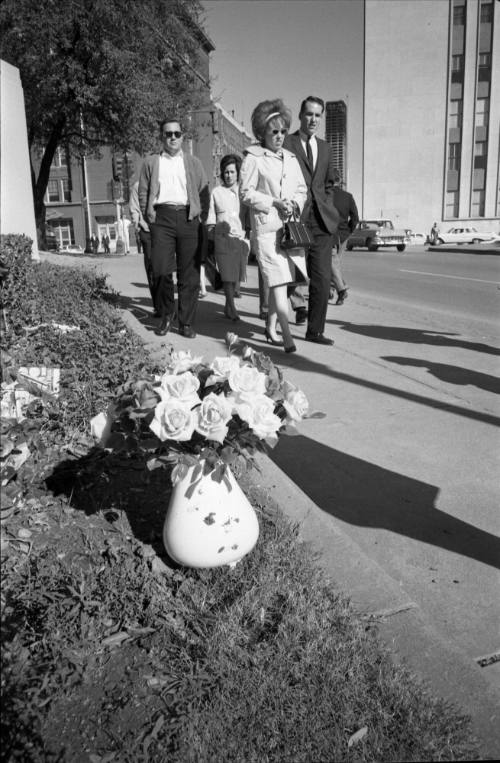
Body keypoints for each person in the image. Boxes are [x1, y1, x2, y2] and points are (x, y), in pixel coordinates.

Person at [240, 98, 308, 354]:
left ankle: (270, 328)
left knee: (285, 279)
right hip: (267, 229)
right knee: (278, 280)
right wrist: (273, 202)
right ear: (262, 133)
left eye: (282, 131)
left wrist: (294, 204)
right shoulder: (253, 158)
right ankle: (286, 335)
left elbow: (301, 189)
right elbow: (245, 193)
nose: (279, 136)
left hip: (290, 229)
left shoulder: (291, 158)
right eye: (273, 132)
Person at [139, 116, 209, 338]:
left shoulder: (193, 163)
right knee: (160, 269)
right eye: (168, 134)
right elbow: (143, 192)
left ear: (182, 137)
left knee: (189, 274)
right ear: (162, 137)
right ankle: (167, 315)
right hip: (162, 218)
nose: (172, 138)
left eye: (176, 134)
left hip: (188, 218)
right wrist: (149, 216)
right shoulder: (151, 162)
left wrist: (201, 217)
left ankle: (186, 322)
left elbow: (204, 191)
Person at [284, 96, 340, 345]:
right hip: (297, 218)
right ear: (300, 115)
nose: (313, 119)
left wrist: (328, 206)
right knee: (290, 275)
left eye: (318, 115)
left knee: (321, 276)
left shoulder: (326, 148)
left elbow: (329, 182)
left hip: (322, 221)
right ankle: (272, 320)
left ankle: (315, 330)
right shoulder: (287, 142)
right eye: (309, 114)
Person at [206, 154, 250, 322]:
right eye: (226, 172)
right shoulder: (216, 192)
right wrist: (211, 234)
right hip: (222, 239)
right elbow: (210, 216)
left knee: (234, 277)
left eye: (232, 172)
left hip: (239, 240)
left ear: (238, 173)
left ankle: (227, 305)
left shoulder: (244, 192)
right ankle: (232, 308)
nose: (229, 175)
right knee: (226, 275)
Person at [129, 179, 157, 315]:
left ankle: (167, 306)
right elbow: (134, 208)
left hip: (164, 231)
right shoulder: (138, 186)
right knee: (152, 268)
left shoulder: (164, 180)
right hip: (146, 231)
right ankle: (158, 305)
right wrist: (138, 226)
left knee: (165, 270)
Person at [331, 170, 359, 305]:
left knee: (332, 264)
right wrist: (348, 231)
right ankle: (333, 290)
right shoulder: (348, 196)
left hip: (330, 235)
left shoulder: (326, 195)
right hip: (343, 235)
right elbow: (355, 218)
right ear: (340, 180)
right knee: (335, 264)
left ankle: (341, 290)